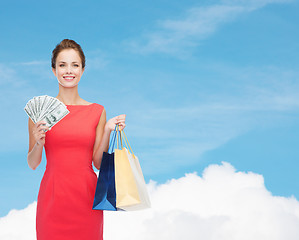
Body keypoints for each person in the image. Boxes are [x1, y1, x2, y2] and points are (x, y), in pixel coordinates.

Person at [27, 39, 126, 240]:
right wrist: (39, 142)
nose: (68, 71)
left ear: (82, 69)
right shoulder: (39, 113)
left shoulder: (97, 111)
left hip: (86, 198)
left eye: (75, 65)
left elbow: (98, 163)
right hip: (52, 197)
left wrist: (107, 130)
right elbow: (33, 163)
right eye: (62, 65)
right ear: (53, 70)